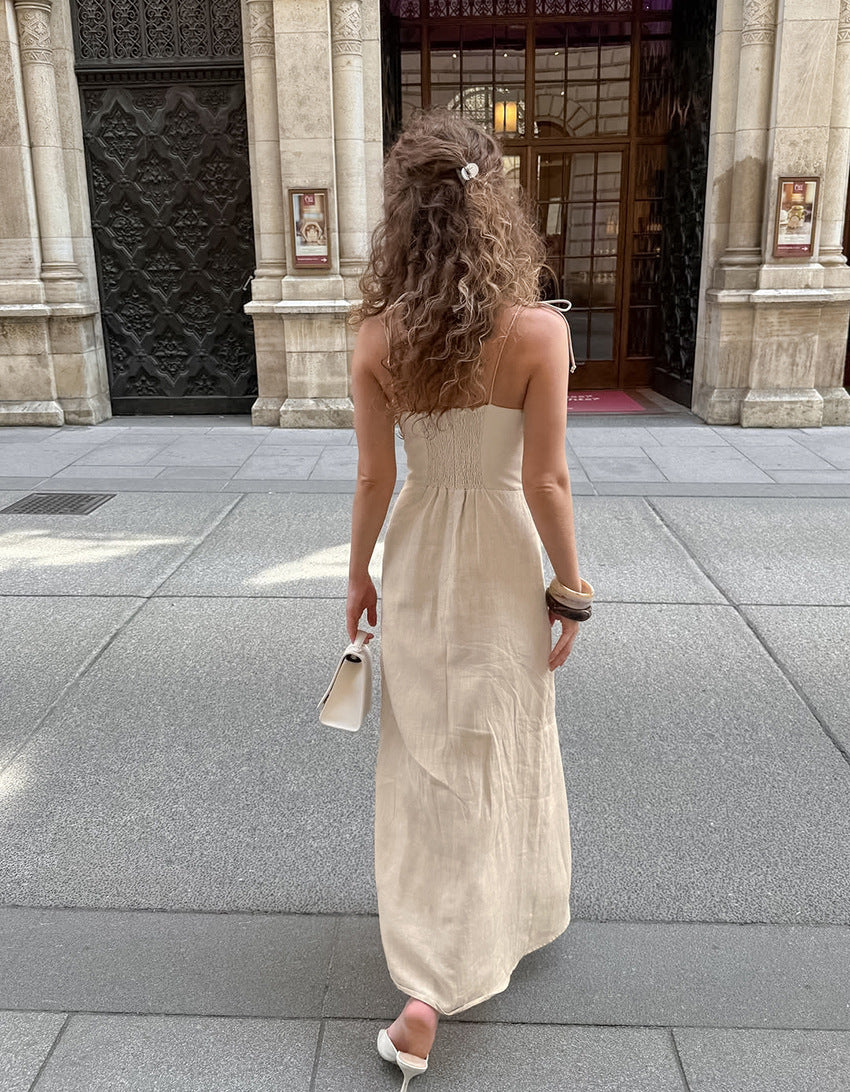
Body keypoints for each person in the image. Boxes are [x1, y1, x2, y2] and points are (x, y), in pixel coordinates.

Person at [345, 107, 592, 1090]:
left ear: (400, 219)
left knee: (425, 746)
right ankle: (496, 930)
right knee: (501, 732)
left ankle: (425, 973)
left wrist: (357, 577)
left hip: (416, 551)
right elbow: (546, 481)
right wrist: (569, 588)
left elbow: (373, 478)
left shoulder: (375, 338)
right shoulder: (539, 333)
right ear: (498, 212)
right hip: (502, 552)